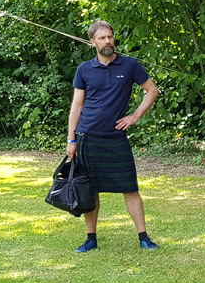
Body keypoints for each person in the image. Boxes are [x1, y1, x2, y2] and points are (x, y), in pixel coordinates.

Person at [66, 20, 160, 253]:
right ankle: (91, 238)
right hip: (87, 137)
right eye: (102, 38)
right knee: (91, 190)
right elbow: (77, 106)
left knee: (130, 189)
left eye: (110, 37)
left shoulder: (129, 65)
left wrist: (135, 116)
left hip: (116, 138)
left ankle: (144, 238)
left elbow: (152, 91)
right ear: (92, 42)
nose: (108, 41)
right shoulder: (84, 69)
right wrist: (71, 139)